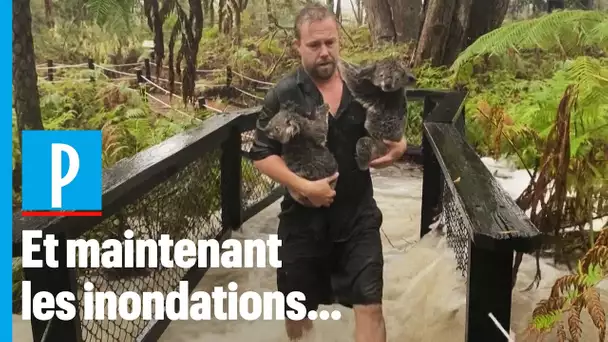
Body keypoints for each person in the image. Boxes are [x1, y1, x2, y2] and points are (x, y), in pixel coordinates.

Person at [248, 3, 407, 342]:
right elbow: (261, 154)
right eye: (314, 45)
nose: (324, 52)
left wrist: (400, 145)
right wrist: (302, 185)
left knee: (370, 305)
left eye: (330, 43)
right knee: (298, 313)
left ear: (339, 42)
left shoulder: (362, 85)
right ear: (298, 47)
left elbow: (391, 121)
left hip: (358, 218)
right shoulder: (284, 93)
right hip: (303, 222)